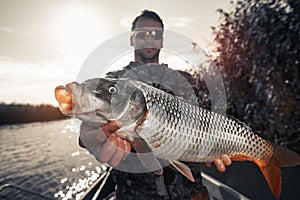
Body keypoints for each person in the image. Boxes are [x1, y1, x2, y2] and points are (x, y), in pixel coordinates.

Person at [79, 10, 232, 200]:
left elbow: (207, 122)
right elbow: (95, 112)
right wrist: (87, 134)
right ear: (132, 39)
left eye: (155, 34)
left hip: (192, 193)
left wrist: (215, 147)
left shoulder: (187, 80)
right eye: (142, 34)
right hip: (135, 195)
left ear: (162, 41)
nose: (149, 39)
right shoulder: (115, 80)